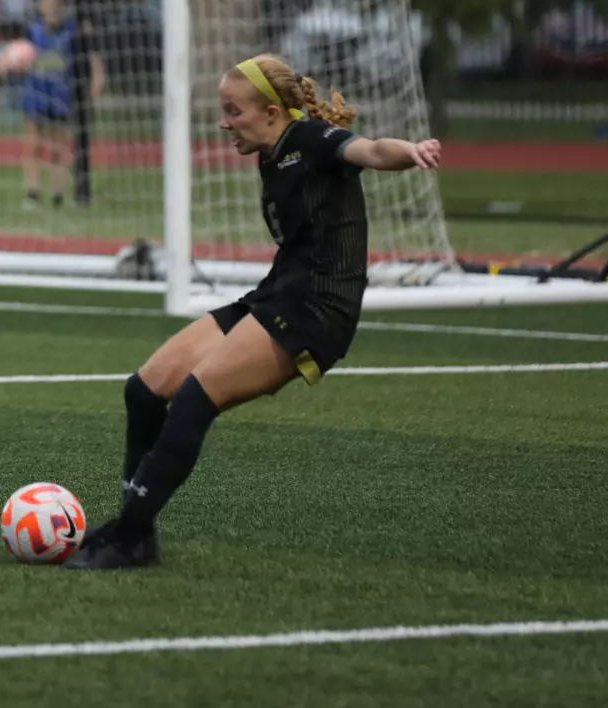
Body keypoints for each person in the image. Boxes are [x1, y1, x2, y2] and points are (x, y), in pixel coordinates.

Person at [65, 55, 442, 570]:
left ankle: (128, 536)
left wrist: (412, 152)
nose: (225, 123)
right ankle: (138, 529)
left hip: (316, 309)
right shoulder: (271, 152)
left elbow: (371, 150)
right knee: (145, 389)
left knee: (194, 399)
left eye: (233, 111)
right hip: (275, 295)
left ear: (270, 113)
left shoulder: (309, 137)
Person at [0, 0, 104, 210]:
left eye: (54, 2)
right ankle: (33, 195)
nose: (50, 7)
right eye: (46, 2)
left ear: (61, 6)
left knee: (58, 147)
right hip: (35, 91)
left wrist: (95, 85)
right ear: (40, 6)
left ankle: (58, 195)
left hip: (60, 93)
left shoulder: (72, 31)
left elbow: (93, 61)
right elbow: (17, 55)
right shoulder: (32, 30)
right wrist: (5, 63)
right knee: (33, 144)